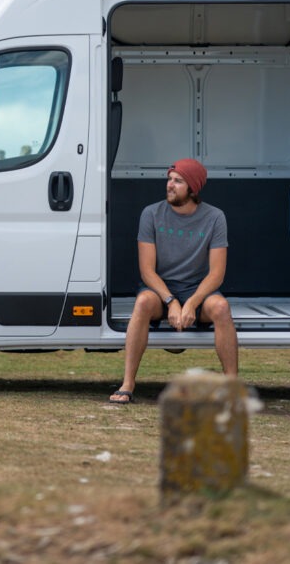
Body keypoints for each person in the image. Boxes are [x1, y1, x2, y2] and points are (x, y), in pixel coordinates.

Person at [109, 158, 238, 404]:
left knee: (221, 308)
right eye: (169, 179)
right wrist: (170, 301)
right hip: (161, 289)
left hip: (198, 290)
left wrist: (191, 302)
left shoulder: (215, 217)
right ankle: (127, 384)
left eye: (178, 181)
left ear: (193, 188)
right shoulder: (151, 213)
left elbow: (216, 274)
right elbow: (147, 271)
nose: (170, 185)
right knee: (143, 302)